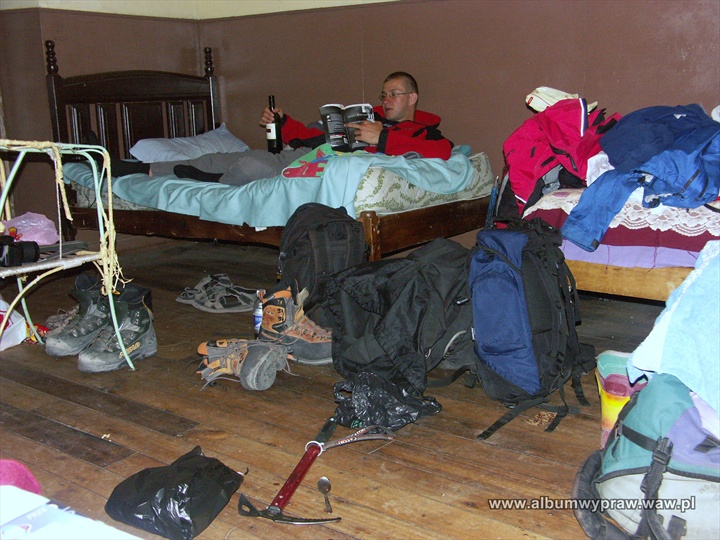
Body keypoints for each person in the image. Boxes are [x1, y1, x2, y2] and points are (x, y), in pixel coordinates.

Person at [150, 71, 453, 185]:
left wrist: (382, 138)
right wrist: (282, 122)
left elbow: (443, 151)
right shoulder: (367, 115)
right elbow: (313, 136)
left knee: (250, 165)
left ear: (412, 97)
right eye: (384, 95)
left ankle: (213, 180)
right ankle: (140, 169)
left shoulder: (423, 130)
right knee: (216, 157)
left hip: (317, 164)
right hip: (305, 152)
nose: (386, 100)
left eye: (394, 94)